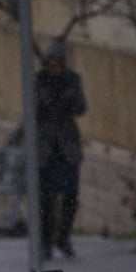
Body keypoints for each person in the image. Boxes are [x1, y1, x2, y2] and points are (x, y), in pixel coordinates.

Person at [33, 41, 86, 259]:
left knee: (70, 196)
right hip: (46, 148)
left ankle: (63, 238)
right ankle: (45, 241)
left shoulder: (72, 80)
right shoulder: (38, 81)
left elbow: (81, 107)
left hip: (67, 146)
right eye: (50, 64)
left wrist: (67, 97)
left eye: (57, 64)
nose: (54, 68)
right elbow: (33, 107)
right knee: (45, 198)